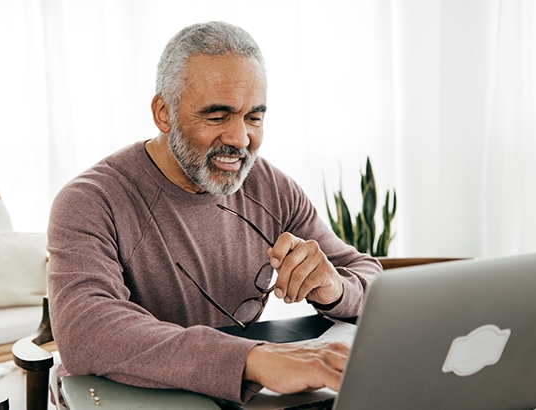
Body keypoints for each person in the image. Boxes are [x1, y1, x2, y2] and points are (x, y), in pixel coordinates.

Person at [47, 21, 381, 405]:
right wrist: (253, 360)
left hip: (234, 395)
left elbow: (368, 275)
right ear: (163, 113)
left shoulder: (270, 186)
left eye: (254, 117)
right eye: (217, 116)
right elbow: (87, 331)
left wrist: (336, 287)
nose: (240, 140)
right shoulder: (90, 200)